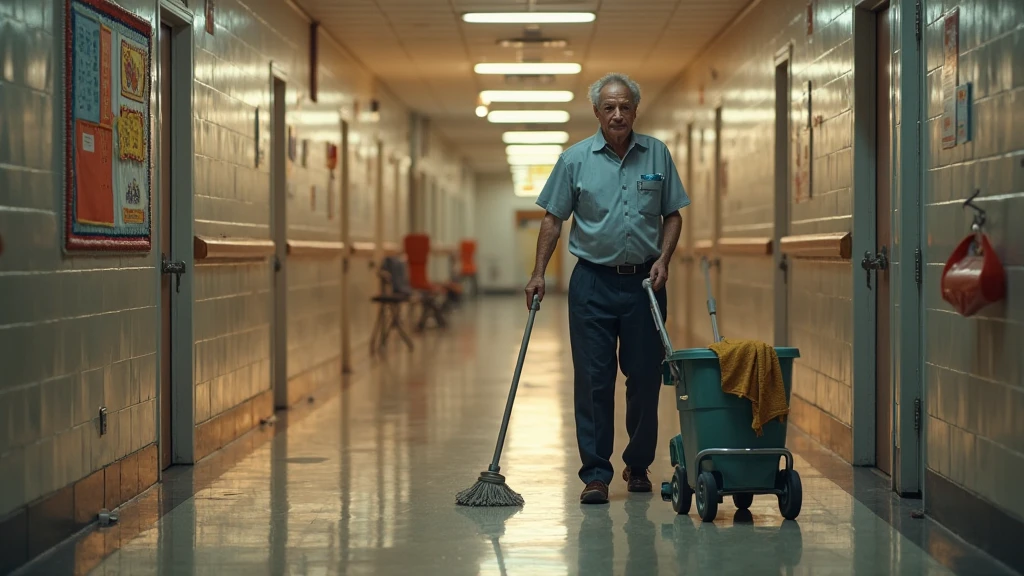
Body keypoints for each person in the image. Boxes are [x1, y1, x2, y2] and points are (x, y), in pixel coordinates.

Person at [525, 72, 690, 504]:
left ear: (636, 110)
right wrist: (539, 271)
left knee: (644, 379)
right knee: (594, 380)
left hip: (644, 286)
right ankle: (596, 474)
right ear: (596, 112)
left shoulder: (657, 153)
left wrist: (664, 259)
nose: (618, 114)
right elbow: (552, 219)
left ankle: (637, 465)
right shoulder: (574, 160)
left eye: (625, 107)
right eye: (609, 107)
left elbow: (673, 214)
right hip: (592, 284)